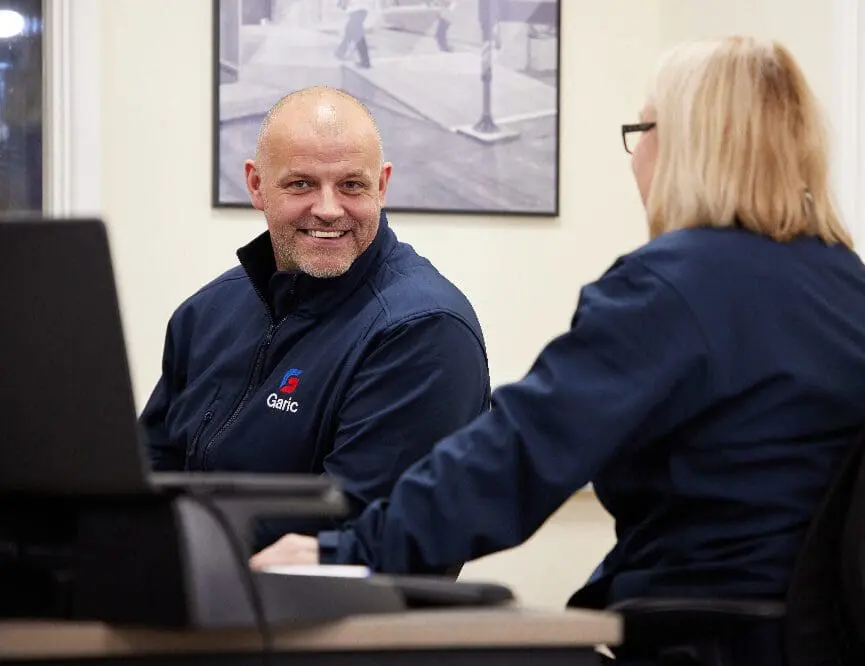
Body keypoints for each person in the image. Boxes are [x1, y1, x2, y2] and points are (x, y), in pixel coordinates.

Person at [249, 37, 865, 664]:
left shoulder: (673, 287)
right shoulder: (849, 286)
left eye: (641, 130)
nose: (636, 158)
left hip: (701, 641)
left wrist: (343, 556)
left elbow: (514, 456)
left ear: (685, 143)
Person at [140, 86, 490, 551]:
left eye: (351, 185)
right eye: (300, 183)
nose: (328, 209)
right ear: (256, 185)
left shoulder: (425, 332)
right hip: (181, 595)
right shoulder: (206, 312)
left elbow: (346, 533)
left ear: (381, 186)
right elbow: (149, 470)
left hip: (319, 617)